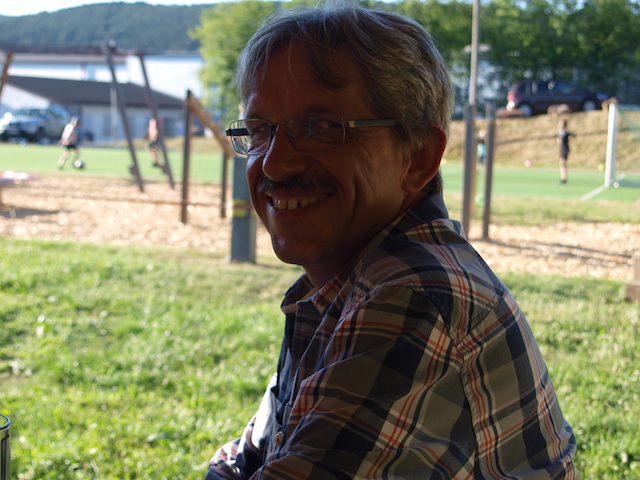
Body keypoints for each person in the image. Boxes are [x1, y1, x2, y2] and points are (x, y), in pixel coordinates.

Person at [210, 2, 577, 479]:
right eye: (260, 130)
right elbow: (249, 454)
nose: (276, 165)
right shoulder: (338, 289)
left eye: (321, 128)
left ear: (419, 156)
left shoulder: (413, 297)